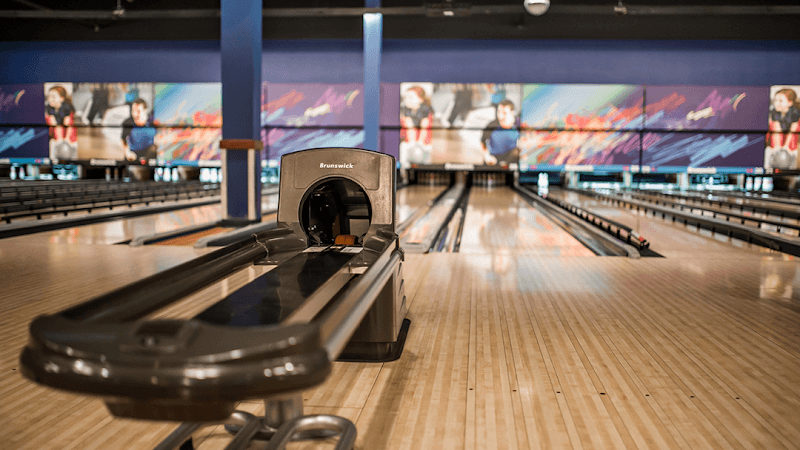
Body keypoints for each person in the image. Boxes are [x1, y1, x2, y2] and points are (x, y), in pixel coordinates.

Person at [479, 99, 520, 166]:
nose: (500, 116)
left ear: (512, 113)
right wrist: (487, 157)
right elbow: (482, 142)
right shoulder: (491, 125)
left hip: (512, 158)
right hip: (494, 159)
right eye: (499, 112)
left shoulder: (519, 124)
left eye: (504, 113)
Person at [400, 86, 433, 165]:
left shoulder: (426, 112)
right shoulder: (406, 112)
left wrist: (418, 145)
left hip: (424, 146)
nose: (407, 100)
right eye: (406, 97)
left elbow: (424, 130)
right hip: (410, 145)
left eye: (410, 97)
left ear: (420, 100)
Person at [45, 85, 78, 160]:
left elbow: (68, 125)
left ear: (61, 98)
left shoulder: (67, 107)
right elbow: (54, 124)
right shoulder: (49, 108)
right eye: (49, 97)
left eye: (53, 97)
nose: (50, 99)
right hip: (55, 135)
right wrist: (59, 140)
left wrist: (66, 140)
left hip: (69, 135)